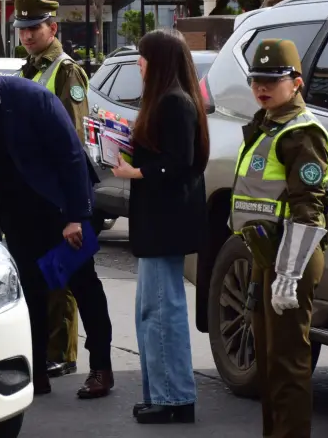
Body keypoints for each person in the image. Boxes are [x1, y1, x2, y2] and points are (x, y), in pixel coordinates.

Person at [0, 53, 115, 399]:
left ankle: (101, 368)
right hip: (17, 215)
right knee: (29, 294)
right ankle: (37, 372)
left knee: (83, 286)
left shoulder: (32, 99)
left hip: (60, 212)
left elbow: (71, 157)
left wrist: (75, 217)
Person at [230, 38, 328, 438]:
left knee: (289, 361)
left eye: (273, 79)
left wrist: (289, 273)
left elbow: (308, 209)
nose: (262, 86)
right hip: (266, 253)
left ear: (297, 82)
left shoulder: (301, 134)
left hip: (294, 255)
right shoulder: (268, 125)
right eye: (257, 78)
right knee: (269, 361)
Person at [110, 29, 208, 424]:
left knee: (162, 311)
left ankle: (174, 398)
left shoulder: (175, 102)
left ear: (161, 60)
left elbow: (179, 163)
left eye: (143, 56)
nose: (138, 63)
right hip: (159, 221)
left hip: (167, 221)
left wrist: (138, 170)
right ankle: (164, 394)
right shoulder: (170, 100)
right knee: (152, 310)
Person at [13, 0, 92, 379]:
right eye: (22, 29)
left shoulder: (65, 71)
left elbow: (73, 139)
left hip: (60, 190)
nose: (27, 35)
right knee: (37, 275)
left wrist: (71, 203)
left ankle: (62, 352)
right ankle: (42, 348)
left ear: (52, 28)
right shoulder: (28, 69)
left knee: (61, 276)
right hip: (33, 190)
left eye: (34, 28)